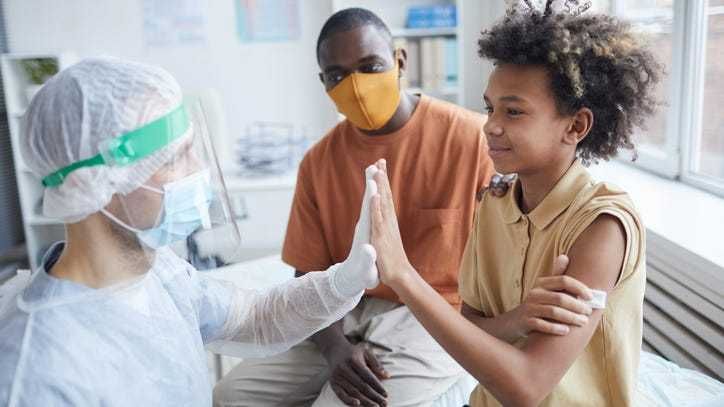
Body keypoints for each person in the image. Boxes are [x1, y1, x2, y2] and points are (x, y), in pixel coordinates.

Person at [0, 57, 380, 407]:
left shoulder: (159, 274)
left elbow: (255, 317)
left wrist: (343, 282)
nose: (198, 170)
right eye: (174, 158)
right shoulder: (37, 371)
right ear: (92, 184)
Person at [212, 7, 508, 407]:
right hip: (343, 309)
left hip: (436, 311)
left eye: (370, 67)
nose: (356, 86)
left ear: (400, 61)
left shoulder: (471, 140)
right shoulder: (319, 162)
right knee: (231, 395)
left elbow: (504, 255)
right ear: (323, 83)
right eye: (337, 75)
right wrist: (335, 349)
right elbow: (308, 273)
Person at [369, 1, 661, 406]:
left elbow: (526, 387)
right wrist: (517, 320)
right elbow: (470, 326)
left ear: (575, 126)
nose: (491, 125)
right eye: (490, 108)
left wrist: (403, 275)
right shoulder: (494, 204)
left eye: (514, 111)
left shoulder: (602, 226)